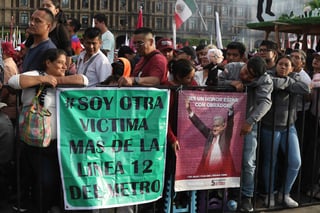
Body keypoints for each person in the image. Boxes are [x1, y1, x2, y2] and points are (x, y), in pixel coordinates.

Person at [8, 48, 88, 213]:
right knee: (41, 180)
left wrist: (57, 80)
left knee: (49, 182)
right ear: (48, 62)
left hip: (55, 141)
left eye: (65, 64)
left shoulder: (64, 78)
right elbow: (14, 81)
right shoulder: (35, 74)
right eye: (59, 63)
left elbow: (84, 80)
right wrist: (42, 79)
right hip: (33, 140)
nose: (63, 67)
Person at [260, 56, 310, 208]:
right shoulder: (268, 75)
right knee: (270, 162)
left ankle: (285, 193)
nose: (282, 67)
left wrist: (287, 83)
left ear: (292, 68)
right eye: (280, 64)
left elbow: (305, 88)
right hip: (270, 126)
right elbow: (271, 84)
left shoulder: (296, 77)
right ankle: (269, 193)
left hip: (289, 127)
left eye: (286, 65)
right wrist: (289, 83)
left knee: (295, 161)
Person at [238, 56, 273, 212]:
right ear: (245, 64)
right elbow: (216, 82)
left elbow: (265, 102)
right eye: (246, 71)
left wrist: (250, 122)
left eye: (251, 76)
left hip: (248, 124)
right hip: (224, 120)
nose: (246, 77)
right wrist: (231, 83)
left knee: (248, 161)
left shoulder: (265, 80)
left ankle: (247, 196)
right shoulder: (233, 67)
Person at [185, 98, 235, 175]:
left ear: (223, 127)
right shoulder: (210, 135)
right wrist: (189, 110)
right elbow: (199, 124)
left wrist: (231, 111)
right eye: (213, 126)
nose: (214, 128)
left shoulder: (226, 137)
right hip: (207, 173)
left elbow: (230, 125)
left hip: (222, 173)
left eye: (217, 126)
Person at [22, 8, 57, 73]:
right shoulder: (32, 46)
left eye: (37, 21)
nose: (32, 23)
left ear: (48, 26)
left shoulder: (49, 49)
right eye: (31, 19)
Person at [0, 42, 19, 121]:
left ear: (4, 52)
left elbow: (6, 87)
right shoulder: (9, 63)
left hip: (9, 101)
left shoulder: (7, 65)